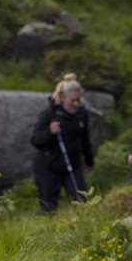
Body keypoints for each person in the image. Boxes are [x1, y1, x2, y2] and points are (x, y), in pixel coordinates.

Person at [30, 74, 96, 211]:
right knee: (49, 207)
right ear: (62, 97)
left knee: (82, 200)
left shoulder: (81, 114)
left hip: (72, 163)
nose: (76, 104)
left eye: (78, 99)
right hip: (48, 167)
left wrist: (89, 160)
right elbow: (35, 140)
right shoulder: (49, 114)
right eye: (73, 100)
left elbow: (85, 139)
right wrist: (50, 132)